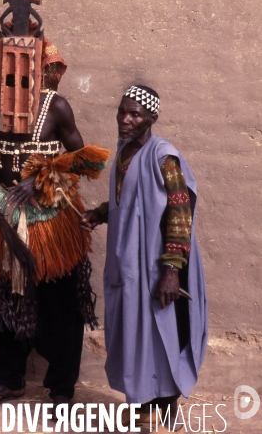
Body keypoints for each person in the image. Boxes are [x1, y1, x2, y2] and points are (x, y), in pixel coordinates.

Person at [0, 35, 109, 410]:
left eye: (25, 69)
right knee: (4, 296)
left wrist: (45, 176)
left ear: (40, 69)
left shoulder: (58, 108)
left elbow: (85, 161)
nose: (16, 77)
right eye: (8, 70)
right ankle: (8, 380)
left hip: (51, 220)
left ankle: (62, 389)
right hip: (3, 218)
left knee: (60, 304)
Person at [82, 85, 207, 432]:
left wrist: (171, 270)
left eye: (135, 114)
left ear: (152, 118)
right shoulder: (124, 151)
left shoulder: (163, 157)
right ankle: (144, 406)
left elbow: (180, 210)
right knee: (135, 332)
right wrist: (101, 213)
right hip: (128, 263)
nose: (125, 119)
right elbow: (133, 201)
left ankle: (166, 412)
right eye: (122, 111)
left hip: (157, 263)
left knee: (162, 333)